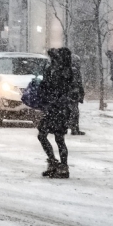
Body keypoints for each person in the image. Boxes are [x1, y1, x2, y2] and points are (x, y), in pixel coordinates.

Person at [37, 47, 74, 179]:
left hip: (58, 108)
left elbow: (56, 88)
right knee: (45, 135)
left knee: (56, 137)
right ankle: (55, 162)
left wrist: (45, 86)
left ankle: (62, 166)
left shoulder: (65, 71)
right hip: (55, 108)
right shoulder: (58, 70)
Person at [69, 54, 85, 136]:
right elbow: (77, 83)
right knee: (74, 112)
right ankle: (74, 129)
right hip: (73, 94)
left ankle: (74, 128)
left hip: (71, 94)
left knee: (73, 111)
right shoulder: (74, 70)